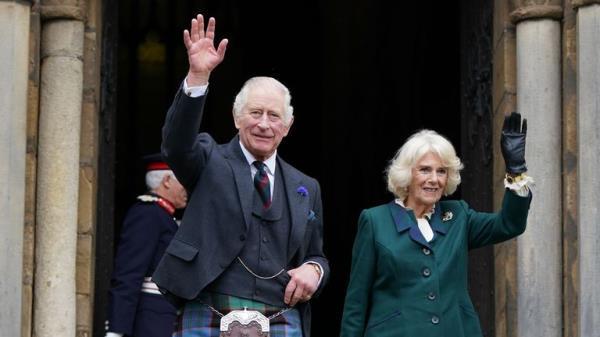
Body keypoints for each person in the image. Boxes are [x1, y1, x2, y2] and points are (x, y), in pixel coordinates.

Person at [151, 14, 329, 337]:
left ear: (287, 127)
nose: (264, 124)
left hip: (279, 316)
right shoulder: (208, 159)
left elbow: (315, 253)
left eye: (274, 116)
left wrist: (315, 270)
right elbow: (176, 146)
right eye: (255, 113)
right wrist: (197, 77)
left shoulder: (307, 187)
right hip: (208, 310)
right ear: (236, 118)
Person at [339, 112, 533, 337]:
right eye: (425, 170)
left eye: (442, 171)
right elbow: (356, 303)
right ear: (407, 174)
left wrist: (516, 171)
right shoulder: (375, 221)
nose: (434, 179)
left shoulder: (458, 215)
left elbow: (510, 224)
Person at [105, 154, 188, 337]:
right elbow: (128, 273)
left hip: (162, 319)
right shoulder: (147, 214)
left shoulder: (164, 216)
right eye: (183, 181)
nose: (186, 188)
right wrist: (116, 330)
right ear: (166, 181)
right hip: (149, 323)